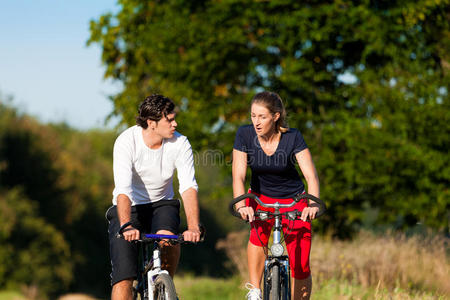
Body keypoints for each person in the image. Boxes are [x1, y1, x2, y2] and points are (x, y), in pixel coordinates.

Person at [106, 94, 201, 300]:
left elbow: (188, 186)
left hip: (162, 204)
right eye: (169, 119)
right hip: (130, 208)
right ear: (151, 123)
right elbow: (123, 189)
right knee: (123, 281)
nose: (175, 124)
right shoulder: (126, 141)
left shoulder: (180, 142)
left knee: (169, 241)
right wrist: (126, 225)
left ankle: (164, 288)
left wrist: (193, 226)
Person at [232, 91, 320, 300]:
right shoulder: (244, 135)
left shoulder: (293, 137)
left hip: (294, 200)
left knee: (301, 262)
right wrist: (241, 205)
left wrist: (313, 204)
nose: (256, 122)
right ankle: (254, 289)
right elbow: (239, 176)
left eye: (262, 117)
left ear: (276, 116)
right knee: (257, 236)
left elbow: (311, 176)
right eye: (253, 116)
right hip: (260, 198)